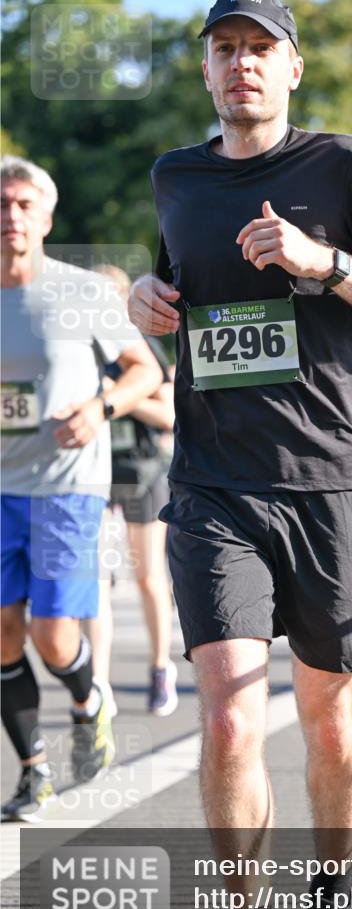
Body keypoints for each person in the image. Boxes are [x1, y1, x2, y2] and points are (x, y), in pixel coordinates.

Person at [127, 0, 352, 909]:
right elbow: (170, 296)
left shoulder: (344, 167)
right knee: (227, 713)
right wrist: (145, 305)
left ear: (292, 68)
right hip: (215, 482)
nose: (240, 66)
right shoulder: (173, 178)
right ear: (208, 70)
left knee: (330, 719)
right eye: (222, 50)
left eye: (259, 50)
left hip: (331, 483)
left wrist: (326, 263)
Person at [0, 156, 161, 821]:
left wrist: (102, 408)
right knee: (3, 632)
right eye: (1, 204)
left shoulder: (80, 293)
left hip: (68, 485)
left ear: (45, 217)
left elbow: (143, 371)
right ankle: (33, 769)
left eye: (23, 205)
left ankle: (87, 699)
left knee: (51, 632)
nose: (11, 217)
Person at [84, 265, 177, 717]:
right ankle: (99, 680)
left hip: (142, 472)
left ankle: (161, 667)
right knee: (94, 579)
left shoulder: (141, 351)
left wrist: (118, 396)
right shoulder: (79, 351)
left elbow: (170, 415)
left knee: (147, 576)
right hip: (96, 475)